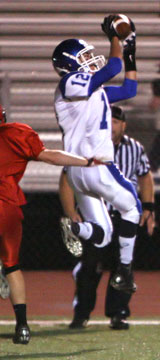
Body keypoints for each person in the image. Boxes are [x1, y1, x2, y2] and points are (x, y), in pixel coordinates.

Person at [0, 94, 101, 345]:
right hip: (10, 209)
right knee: (13, 265)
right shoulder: (13, 134)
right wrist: (86, 161)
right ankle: (22, 326)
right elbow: (50, 156)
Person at [52, 15, 141, 296]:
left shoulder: (91, 90)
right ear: (69, 63)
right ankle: (125, 272)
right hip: (96, 166)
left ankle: (75, 229)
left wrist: (131, 55)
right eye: (84, 56)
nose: (91, 59)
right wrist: (114, 36)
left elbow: (130, 89)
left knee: (102, 236)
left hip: (78, 172)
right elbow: (113, 66)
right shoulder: (70, 83)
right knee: (132, 207)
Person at [59, 105, 155, 330]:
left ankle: (119, 313)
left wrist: (149, 208)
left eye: (116, 122)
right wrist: (70, 212)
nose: (111, 126)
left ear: (124, 125)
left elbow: (145, 177)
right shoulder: (86, 146)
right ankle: (81, 312)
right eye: (108, 121)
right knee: (90, 267)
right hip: (96, 214)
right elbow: (66, 179)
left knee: (123, 266)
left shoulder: (135, 148)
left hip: (123, 216)